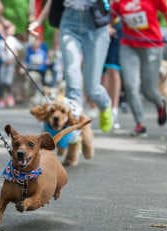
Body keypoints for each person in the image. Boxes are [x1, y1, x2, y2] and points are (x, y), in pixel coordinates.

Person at [29, 0, 114, 133]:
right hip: (69, 22)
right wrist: (38, 21)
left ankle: (105, 105)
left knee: (92, 88)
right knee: (72, 76)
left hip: (96, 24)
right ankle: (74, 131)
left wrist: (111, 19)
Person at [112, 0, 167, 136]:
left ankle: (160, 102)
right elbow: (110, 17)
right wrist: (109, 26)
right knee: (130, 86)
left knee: (148, 90)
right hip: (128, 45)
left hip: (152, 46)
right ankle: (139, 123)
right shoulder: (119, 1)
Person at [102, 18, 122, 130]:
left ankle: (114, 110)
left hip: (118, 27)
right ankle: (105, 107)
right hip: (100, 26)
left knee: (113, 70)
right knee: (104, 73)